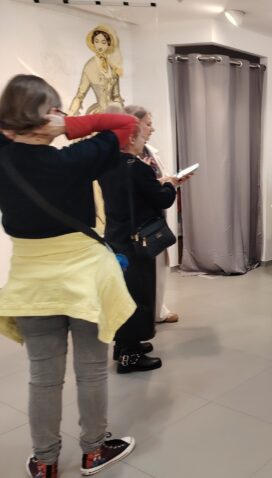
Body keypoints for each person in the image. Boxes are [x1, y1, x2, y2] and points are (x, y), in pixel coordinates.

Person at [0, 74, 136, 477]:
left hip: (32, 285)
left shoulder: (4, 159)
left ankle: (45, 463)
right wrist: (72, 126)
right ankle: (93, 452)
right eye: (55, 109)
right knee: (91, 370)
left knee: (43, 377)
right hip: (85, 280)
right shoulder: (75, 159)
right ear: (46, 116)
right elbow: (126, 123)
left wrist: (19, 123)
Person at [99, 107, 186, 373]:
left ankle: (125, 346)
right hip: (137, 243)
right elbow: (162, 199)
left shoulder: (107, 165)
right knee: (137, 297)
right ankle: (130, 357)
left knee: (124, 295)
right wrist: (170, 184)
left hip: (116, 238)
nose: (144, 139)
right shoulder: (137, 168)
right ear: (131, 138)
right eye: (141, 134)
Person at [125, 105, 181, 323]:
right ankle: (147, 317)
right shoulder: (128, 161)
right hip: (139, 224)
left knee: (159, 267)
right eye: (148, 124)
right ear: (134, 124)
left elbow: (152, 184)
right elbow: (147, 190)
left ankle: (156, 310)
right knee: (142, 273)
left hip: (153, 219)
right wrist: (168, 185)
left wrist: (168, 182)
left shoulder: (148, 152)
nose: (152, 128)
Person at [69, 25, 125, 115]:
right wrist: (70, 115)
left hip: (113, 113)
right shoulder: (90, 66)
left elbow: (116, 96)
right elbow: (80, 95)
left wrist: (121, 113)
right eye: (96, 41)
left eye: (103, 42)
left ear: (108, 44)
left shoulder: (113, 66)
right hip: (98, 113)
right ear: (93, 42)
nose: (99, 45)